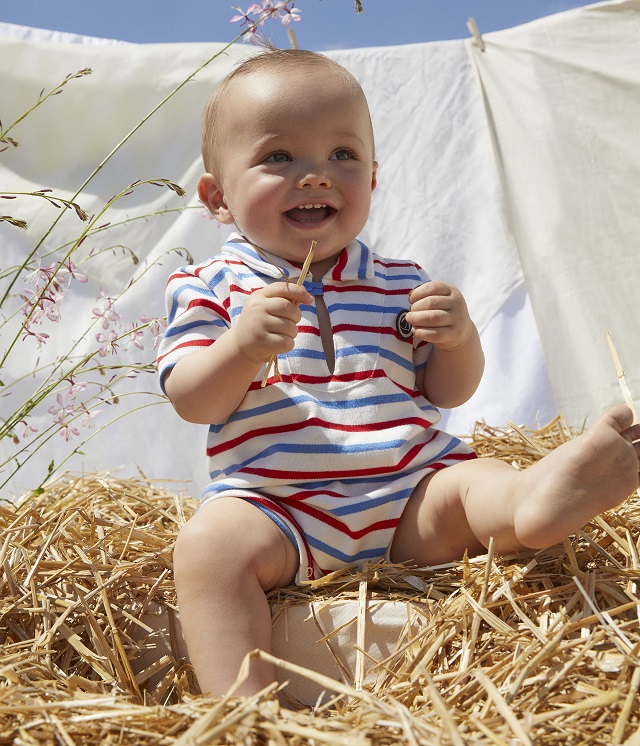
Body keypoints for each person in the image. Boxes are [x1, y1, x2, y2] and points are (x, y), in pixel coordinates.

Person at [157, 48, 640, 698]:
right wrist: (240, 348)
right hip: (280, 508)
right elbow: (194, 398)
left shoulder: (400, 284)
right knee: (208, 550)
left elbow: (448, 391)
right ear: (217, 197)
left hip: (406, 491)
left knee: (470, 481)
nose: (316, 177)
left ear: (375, 178)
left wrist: (459, 338)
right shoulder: (209, 287)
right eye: (279, 157)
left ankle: (530, 503)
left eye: (342, 156)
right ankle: (243, 713)